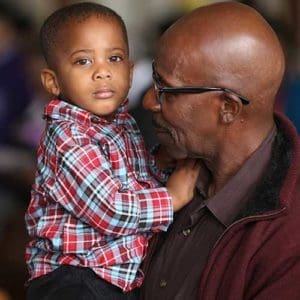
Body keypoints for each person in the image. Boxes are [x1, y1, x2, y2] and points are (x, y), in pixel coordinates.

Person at [24, 2, 200, 300]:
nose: (103, 72)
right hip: (74, 279)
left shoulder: (120, 123)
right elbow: (111, 209)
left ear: (130, 73)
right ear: (53, 82)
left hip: (109, 277)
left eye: (114, 58)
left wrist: (158, 163)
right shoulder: (68, 136)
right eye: (83, 62)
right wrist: (171, 198)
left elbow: (131, 180)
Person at [140, 1, 300, 299]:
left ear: (227, 108)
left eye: (166, 90)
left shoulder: (289, 236)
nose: (149, 100)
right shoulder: (158, 166)